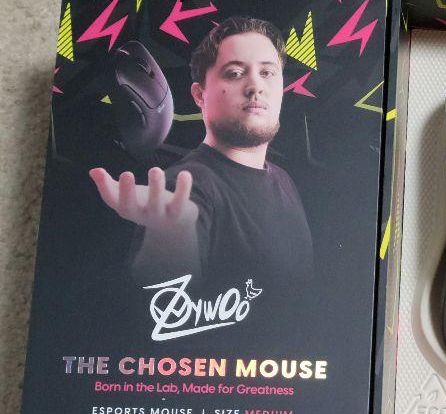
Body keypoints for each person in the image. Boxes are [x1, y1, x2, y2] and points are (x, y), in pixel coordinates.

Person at [89, 16, 313, 288]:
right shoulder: (185, 187)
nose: (256, 86)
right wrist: (172, 235)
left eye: (267, 73)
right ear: (199, 95)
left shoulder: (283, 179)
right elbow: (165, 290)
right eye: (234, 73)